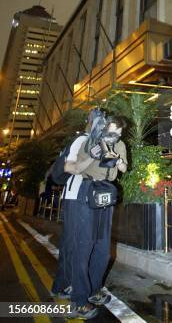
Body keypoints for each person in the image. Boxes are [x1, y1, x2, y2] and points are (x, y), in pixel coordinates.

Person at [52, 110, 127, 319]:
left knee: (100, 246)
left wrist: (115, 159)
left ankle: (89, 289)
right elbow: (70, 167)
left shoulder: (115, 144)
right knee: (78, 246)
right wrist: (92, 157)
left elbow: (120, 168)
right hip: (78, 196)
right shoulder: (82, 140)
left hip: (102, 195)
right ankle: (74, 294)